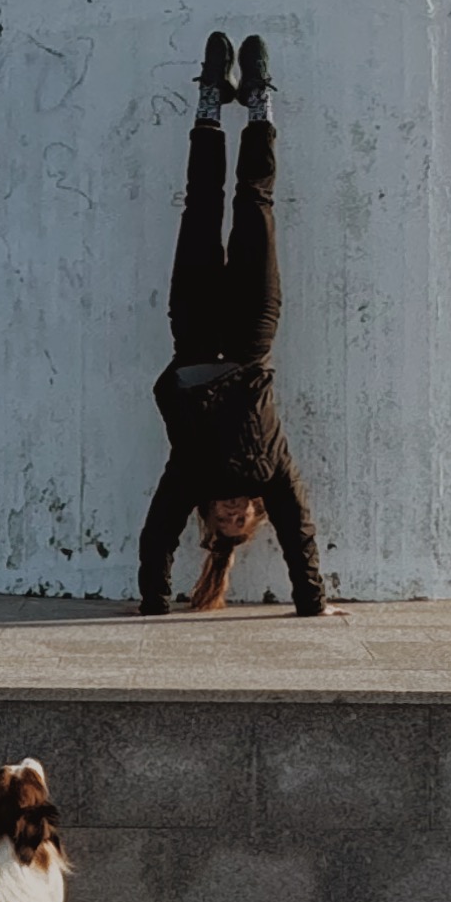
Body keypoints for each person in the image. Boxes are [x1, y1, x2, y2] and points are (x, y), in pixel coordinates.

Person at [137, 30, 329, 616]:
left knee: (200, 206)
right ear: (256, 516)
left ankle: (209, 103)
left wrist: (153, 602)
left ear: (209, 518)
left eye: (225, 522)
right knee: (255, 204)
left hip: (192, 331)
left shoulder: (190, 479)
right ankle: (259, 105)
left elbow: (155, 538)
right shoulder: (274, 473)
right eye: (241, 521)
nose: (233, 515)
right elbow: (301, 538)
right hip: (251, 334)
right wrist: (312, 603)